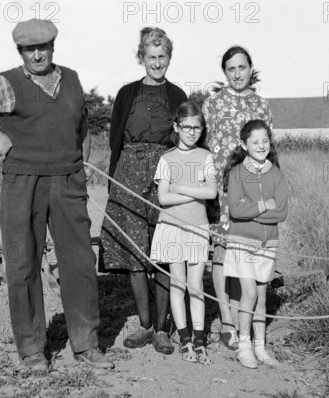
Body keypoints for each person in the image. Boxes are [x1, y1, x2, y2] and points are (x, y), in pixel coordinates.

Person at [0, 19, 113, 371]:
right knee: (22, 265)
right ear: (20, 51)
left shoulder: (72, 78)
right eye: (29, 49)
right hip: (23, 182)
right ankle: (32, 350)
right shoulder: (6, 83)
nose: (37, 54)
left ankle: (85, 345)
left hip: (67, 182)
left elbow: (81, 125)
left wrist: (79, 160)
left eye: (43, 47)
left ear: (54, 47)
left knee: (80, 263)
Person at [100, 27, 188, 354]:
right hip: (128, 176)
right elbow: (115, 141)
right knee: (135, 254)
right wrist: (114, 184)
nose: (156, 62)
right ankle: (145, 326)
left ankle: (163, 331)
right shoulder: (126, 93)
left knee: (164, 254)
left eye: (162, 56)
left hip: (166, 175)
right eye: (150, 56)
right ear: (141, 58)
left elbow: (189, 140)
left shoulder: (178, 96)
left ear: (169, 57)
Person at [203, 46, 273, 349]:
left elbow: (268, 148)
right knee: (221, 252)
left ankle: (250, 319)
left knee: (246, 252)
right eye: (231, 69)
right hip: (220, 191)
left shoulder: (262, 104)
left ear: (250, 68)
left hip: (253, 190)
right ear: (224, 72)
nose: (237, 74)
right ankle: (227, 320)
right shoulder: (212, 104)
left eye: (242, 68)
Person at [150, 102, 217, 364]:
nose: (191, 132)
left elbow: (210, 193)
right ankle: (184, 338)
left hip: (197, 227)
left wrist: (181, 189)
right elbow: (163, 198)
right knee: (177, 283)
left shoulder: (206, 157)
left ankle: (200, 340)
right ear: (177, 127)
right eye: (186, 127)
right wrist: (193, 189)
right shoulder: (166, 159)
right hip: (172, 227)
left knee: (196, 285)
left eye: (197, 128)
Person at [223, 119, 288, 369]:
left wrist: (255, 212)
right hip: (241, 242)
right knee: (248, 293)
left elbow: (281, 211)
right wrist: (262, 205)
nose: (261, 146)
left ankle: (260, 347)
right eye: (255, 141)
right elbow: (236, 211)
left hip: (268, 243)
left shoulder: (276, 173)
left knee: (261, 296)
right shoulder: (237, 172)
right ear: (244, 144)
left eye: (265, 141)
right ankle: (244, 346)